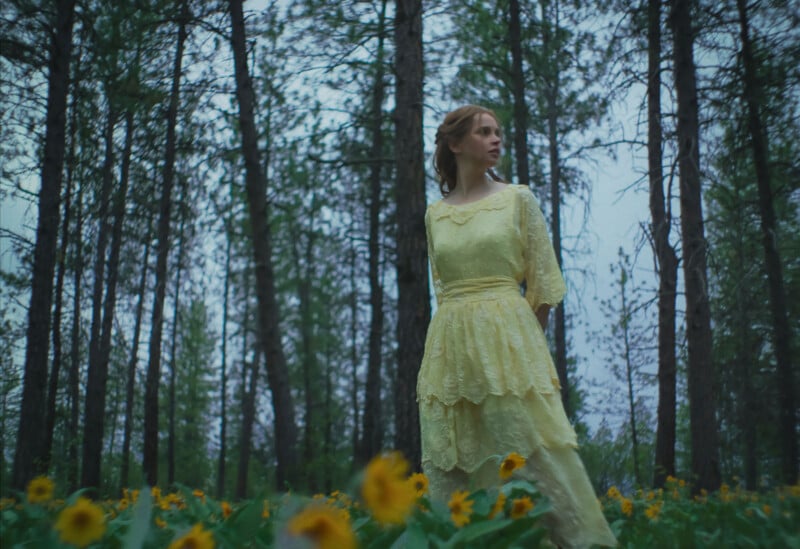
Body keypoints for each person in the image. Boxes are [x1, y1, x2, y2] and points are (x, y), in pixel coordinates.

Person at [417, 105, 617, 548]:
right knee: (458, 454)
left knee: (533, 447)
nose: (495, 139)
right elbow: (442, 289)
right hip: (449, 344)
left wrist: (522, 343)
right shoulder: (435, 214)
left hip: (510, 338)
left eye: (498, 132)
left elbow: (543, 283)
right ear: (454, 144)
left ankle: (578, 540)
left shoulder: (517, 199)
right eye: (483, 132)